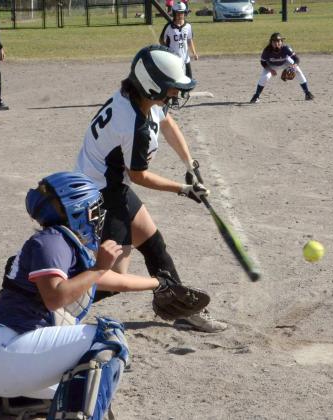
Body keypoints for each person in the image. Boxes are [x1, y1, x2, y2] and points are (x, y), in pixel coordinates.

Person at [0, 172, 207, 419]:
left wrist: (159, 283)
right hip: (8, 349)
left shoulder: (62, 242)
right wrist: (99, 268)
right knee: (109, 338)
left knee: (79, 387)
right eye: (93, 209)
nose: (98, 216)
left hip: (9, 356)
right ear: (77, 212)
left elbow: (113, 280)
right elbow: (55, 297)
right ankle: (2, 394)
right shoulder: (51, 242)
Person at [73, 45, 228, 333]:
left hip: (110, 185)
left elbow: (167, 122)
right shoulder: (133, 124)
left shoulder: (140, 100)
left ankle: (184, 310)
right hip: (100, 194)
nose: (176, 95)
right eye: (171, 89)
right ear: (152, 87)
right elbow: (140, 175)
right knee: (116, 279)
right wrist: (183, 189)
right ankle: (52, 298)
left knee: (154, 244)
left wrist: (189, 163)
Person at [249, 32, 314, 103]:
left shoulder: (286, 48)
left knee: (298, 71)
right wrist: (270, 70)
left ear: (281, 42)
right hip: (272, 65)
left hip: (285, 62)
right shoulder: (267, 50)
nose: (276, 43)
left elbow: (296, 59)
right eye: (274, 41)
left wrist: (294, 65)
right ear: (271, 42)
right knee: (265, 77)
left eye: (278, 41)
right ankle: (256, 96)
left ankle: (307, 93)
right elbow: (263, 62)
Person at [159, 2, 198, 107]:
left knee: (188, 79)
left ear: (185, 13)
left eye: (182, 13)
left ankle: (184, 93)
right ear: (174, 13)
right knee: (175, 80)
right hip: (174, 60)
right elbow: (161, 40)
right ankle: (174, 99)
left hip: (185, 59)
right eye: (178, 13)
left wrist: (194, 53)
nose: (180, 15)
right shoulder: (169, 27)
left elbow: (189, 40)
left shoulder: (188, 26)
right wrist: (167, 50)